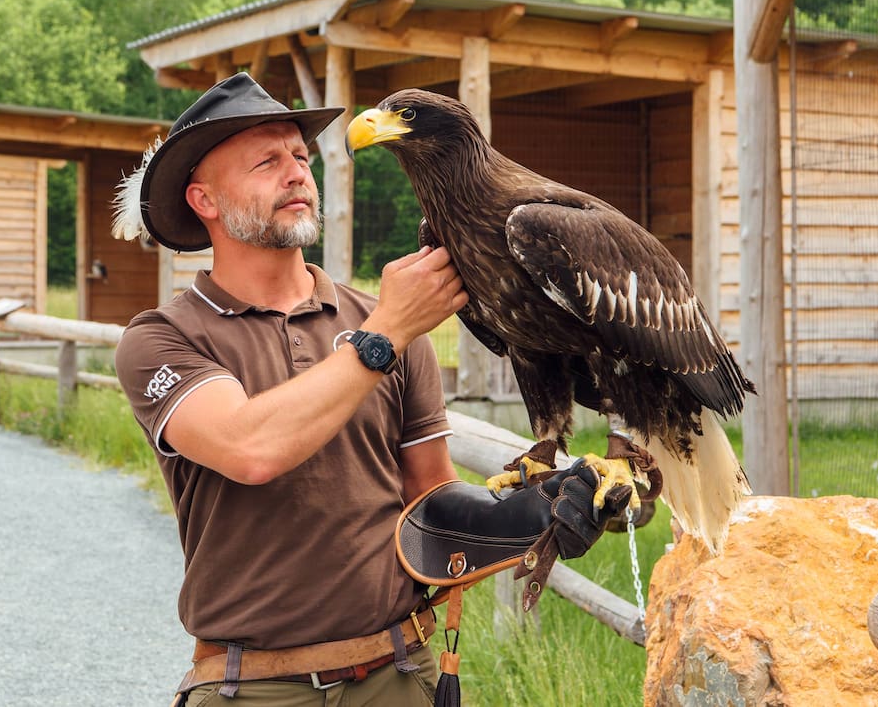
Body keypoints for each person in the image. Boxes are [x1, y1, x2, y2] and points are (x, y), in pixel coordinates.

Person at [111, 73, 625, 706]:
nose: (297, 173)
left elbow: (429, 502)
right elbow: (250, 448)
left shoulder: (382, 317)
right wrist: (385, 332)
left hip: (398, 674)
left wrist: (533, 515)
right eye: (266, 162)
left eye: (301, 157)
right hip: (251, 688)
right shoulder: (162, 339)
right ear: (205, 200)